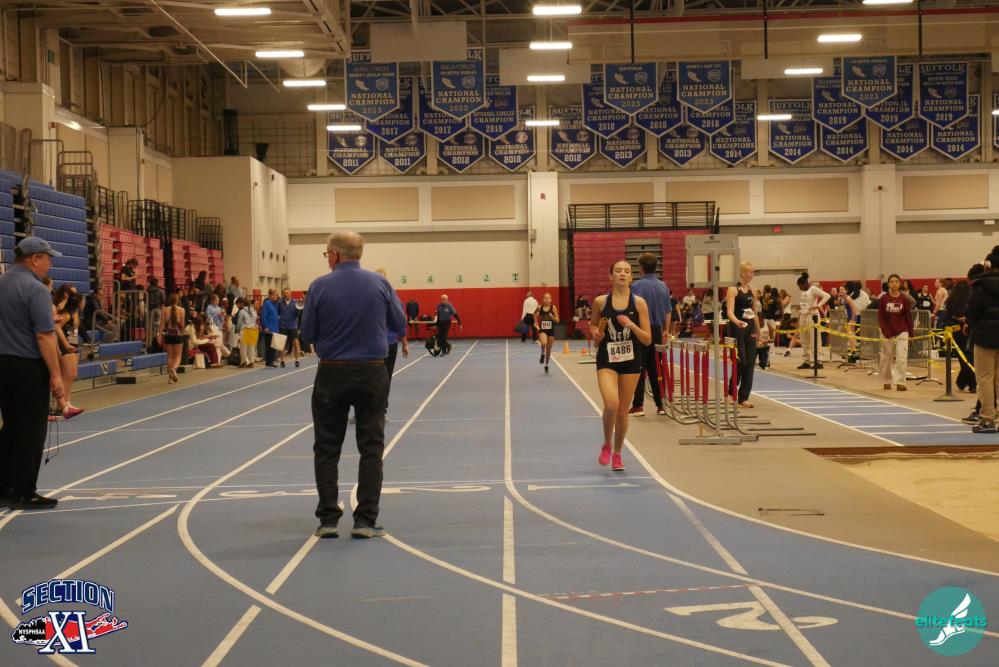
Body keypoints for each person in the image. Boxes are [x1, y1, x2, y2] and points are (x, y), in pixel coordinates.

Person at [301, 231, 407, 539]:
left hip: (331, 372)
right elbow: (399, 325)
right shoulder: (381, 284)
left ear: (335, 254)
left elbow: (307, 334)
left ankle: (328, 519)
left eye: (327, 254)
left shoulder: (319, 286)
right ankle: (365, 520)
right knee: (371, 446)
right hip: (372, 372)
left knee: (326, 446)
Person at [0, 238, 66, 509]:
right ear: (34, 258)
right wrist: (56, 375)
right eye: (47, 258)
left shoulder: (2, 282)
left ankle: (3, 488)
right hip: (27, 366)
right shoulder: (36, 289)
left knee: (11, 427)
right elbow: (44, 335)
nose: (50, 264)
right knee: (30, 430)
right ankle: (24, 490)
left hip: (3, 363)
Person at [590, 260, 653, 473]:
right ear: (611, 276)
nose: (623, 274)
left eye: (627, 271)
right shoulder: (600, 302)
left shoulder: (639, 304)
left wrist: (631, 325)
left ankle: (617, 453)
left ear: (631, 277)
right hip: (607, 359)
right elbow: (592, 326)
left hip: (631, 361)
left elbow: (647, 339)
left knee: (622, 411)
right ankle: (607, 443)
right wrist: (595, 333)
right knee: (611, 404)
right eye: (618, 271)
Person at [629, 252, 670, 416]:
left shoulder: (636, 286)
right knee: (656, 368)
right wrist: (666, 329)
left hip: (641, 331)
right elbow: (668, 311)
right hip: (657, 330)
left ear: (641, 268)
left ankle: (638, 405)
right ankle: (661, 405)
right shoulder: (663, 286)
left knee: (638, 368)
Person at [968, 248, 999, 433]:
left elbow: (972, 312)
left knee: (985, 378)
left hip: (984, 338)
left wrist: (971, 324)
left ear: (988, 265)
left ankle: (988, 419)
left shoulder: (980, 286)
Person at [726, 262, 760, 408]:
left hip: (750, 329)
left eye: (753, 272)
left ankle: (744, 397)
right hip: (737, 329)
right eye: (750, 272)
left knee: (751, 362)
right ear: (743, 273)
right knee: (741, 362)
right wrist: (737, 322)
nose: (752, 274)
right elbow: (729, 312)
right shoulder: (733, 289)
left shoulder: (753, 290)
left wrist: (759, 332)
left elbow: (754, 313)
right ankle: (731, 392)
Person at [877, 274, 913, 392]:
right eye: (892, 281)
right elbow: (881, 317)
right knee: (887, 357)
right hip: (887, 332)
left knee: (901, 357)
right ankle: (887, 380)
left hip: (902, 330)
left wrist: (911, 333)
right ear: (888, 284)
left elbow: (908, 317)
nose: (894, 283)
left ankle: (900, 382)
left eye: (896, 281)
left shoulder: (904, 299)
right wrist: (884, 330)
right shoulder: (883, 299)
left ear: (899, 283)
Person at [55, 290, 84, 420]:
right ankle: (61, 405)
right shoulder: (66, 314)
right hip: (64, 344)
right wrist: (63, 344)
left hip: (73, 342)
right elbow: (56, 328)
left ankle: (67, 401)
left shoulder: (74, 314)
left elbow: (76, 326)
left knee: (72, 374)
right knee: (66, 376)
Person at [796, 272, 831, 370]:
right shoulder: (803, 291)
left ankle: (818, 361)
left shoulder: (813, 289)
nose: (799, 288)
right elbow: (805, 302)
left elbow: (827, 296)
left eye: (800, 286)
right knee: (804, 340)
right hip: (803, 316)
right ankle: (807, 361)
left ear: (805, 284)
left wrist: (818, 306)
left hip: (812, 317)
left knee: (815, 339)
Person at [159, 293, 185, 383]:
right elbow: (182, 325)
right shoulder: (181, 310)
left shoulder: (165, 310)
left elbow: (162, 324)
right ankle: (174, 369)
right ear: (178, 301)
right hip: (177, 335)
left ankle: (170, 379)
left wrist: (159, 336)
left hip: (168, 334)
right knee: (178, 357)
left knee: (170, 357)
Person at [534, 292, 559, 374]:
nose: (547, 300)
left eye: (548, 298)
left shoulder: (553, 308)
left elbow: (557, 320)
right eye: (545, 298)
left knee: (548, 349)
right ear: (543, 299)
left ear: (551, 299)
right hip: (543, 330)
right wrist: (535, 322)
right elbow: (534, 314)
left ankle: (546, 365)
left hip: (551, 330)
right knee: (544, 343)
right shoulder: (539, 307)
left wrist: (553, 317)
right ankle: (542, 354)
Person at [277, 288, 302, 368]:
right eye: (284, 293)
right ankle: (282, 360)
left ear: (290, 293)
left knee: (296, 343)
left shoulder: (295, 302)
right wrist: (279, 319)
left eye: (287, 293)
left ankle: (297, 360)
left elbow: (298, 315)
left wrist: (298, 309)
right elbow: (277, 313)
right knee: (282, 344)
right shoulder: (280, 302)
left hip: (293, 326)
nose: (286, 294)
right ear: (283, 294)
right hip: (282, 326)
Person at [261, 288, 280, 368]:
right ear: (270, 295)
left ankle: (271, 361)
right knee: (269, 346)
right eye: (275, 295)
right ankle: (269, 362)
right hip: (269, 328)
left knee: (273, 346)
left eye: (276, 295)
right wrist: (265, 326)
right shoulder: (267, 303)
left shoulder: (274, 304)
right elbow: (264, 316)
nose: (276, 297)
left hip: (275, 328)